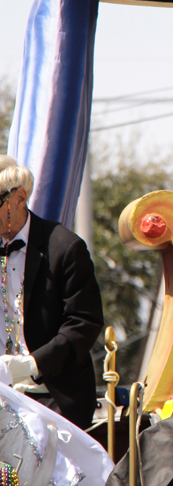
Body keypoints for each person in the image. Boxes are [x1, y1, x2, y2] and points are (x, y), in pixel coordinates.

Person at [0, 155, 103, 428]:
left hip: (53, 397)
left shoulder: (65, 248)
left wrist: (32, 364)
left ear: (19, 198)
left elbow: (84, 323)